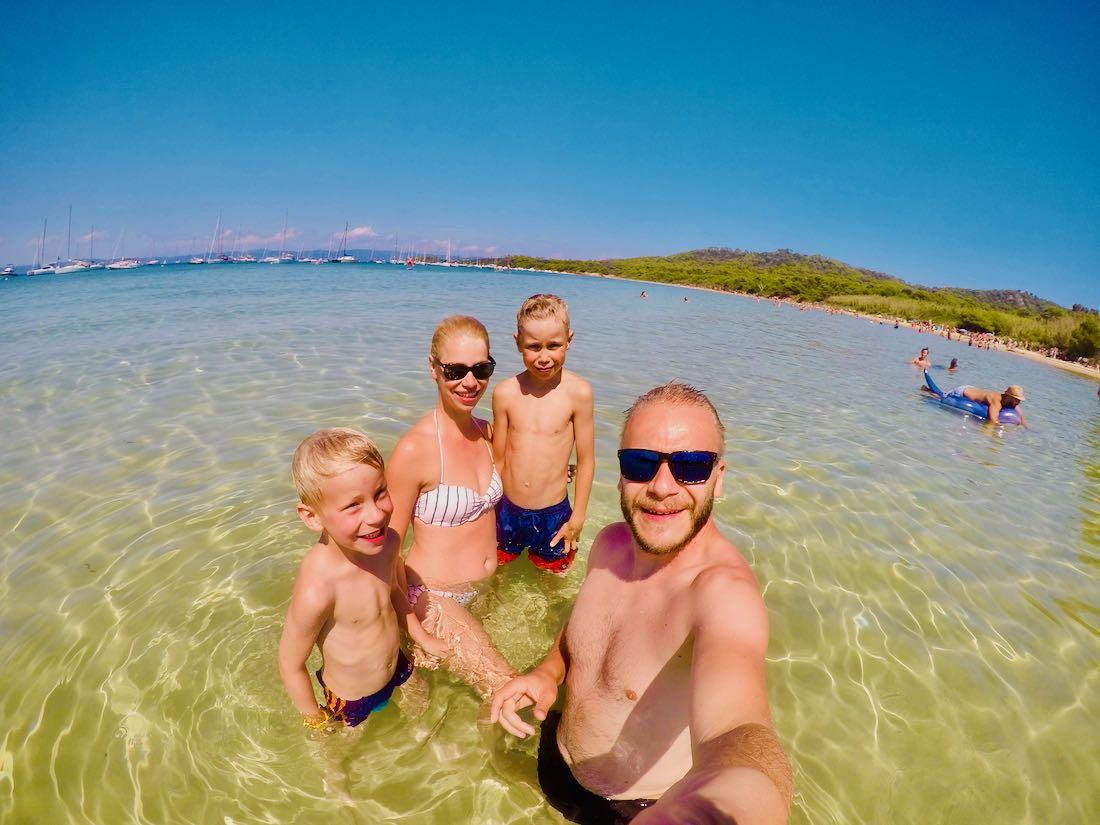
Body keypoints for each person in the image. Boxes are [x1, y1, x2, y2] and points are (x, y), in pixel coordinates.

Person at [491, 383, 792, 824]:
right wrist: (547, 673)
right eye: (640, 463)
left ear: (719, 477)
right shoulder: (610, 544)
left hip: (633, 809)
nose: (662, 487)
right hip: (557, 753)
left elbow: (739, 733)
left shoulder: (721, 594)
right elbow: (580, 632)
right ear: (620, 474)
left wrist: (712, 813)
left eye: (691, 466)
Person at [388, 316, 518, 700]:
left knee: (476, 701)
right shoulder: (415, 450)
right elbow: (386, 551)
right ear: (433, 368)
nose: (470, 382)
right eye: (455, 371)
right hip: (433, 598)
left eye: (481, 369)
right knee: (509, 690)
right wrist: (413, 628)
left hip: (484, 590)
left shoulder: (487, 432)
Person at [278, 428, 444, 730]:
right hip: (351, 698)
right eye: (353, 505)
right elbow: (291, 665)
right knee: (341, 752)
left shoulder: (388, 544)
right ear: (312, 517)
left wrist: (421, 637)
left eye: (380, 493)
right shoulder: (319, 590)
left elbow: (394, 591)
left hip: (398, 667)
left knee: (427, 716)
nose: (376, 515)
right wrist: (316, 719)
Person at [493, 294, 595, 574]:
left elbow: (586, 461)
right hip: (507, 509)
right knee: (495, 574)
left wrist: (578, 518)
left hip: (554, 514)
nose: (544, 357)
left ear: (569, 340)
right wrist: (487, 508)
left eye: (554, 346)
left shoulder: (579, 394)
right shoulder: (505, 393)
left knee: (553, 582)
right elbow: (498, 459)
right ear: (518, 343)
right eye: (533, 347)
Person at [944, 383, 1027, 425]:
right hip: (962, 391)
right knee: (941, 395)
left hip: (973, 389)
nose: (1018, 402)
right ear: (1008, 397)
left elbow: (1021, 415)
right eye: (1016, 400)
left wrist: (1022, 428)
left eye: (1019, 400)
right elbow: (992, 420)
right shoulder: (996, 401)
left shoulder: (1012, 402)